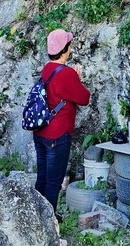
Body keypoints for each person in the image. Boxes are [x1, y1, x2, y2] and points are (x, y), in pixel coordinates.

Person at [33, 28, 90, 215]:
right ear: (65, 49)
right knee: (54, 182)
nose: (71, 49)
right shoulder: (66, 73)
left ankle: (35, 216)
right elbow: (84, 98)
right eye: (69, 45)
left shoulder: (46, 69)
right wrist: (78, 79)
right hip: (58, 135)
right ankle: (50, 225)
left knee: (42, 177)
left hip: (40, 132)